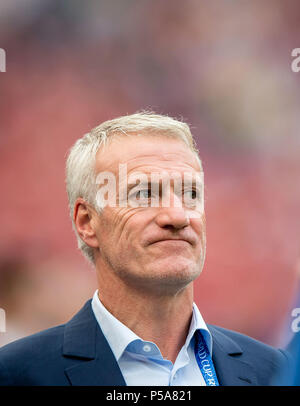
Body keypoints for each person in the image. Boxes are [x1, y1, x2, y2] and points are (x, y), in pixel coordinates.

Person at [0, 112, 290, 386]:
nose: (177, 216)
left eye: (190, 194)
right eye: (143, 194)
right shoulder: (16, 373)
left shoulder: (274, 371)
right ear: (87, 222)